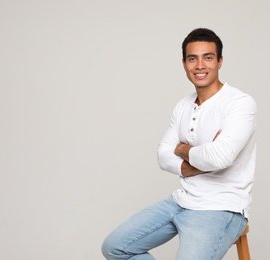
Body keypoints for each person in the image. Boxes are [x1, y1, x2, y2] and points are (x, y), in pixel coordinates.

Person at [101, 28, 257, 260]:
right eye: (192, 58)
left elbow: (220, 157)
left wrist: (183, 148)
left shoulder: (239, 103)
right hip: (182, 200)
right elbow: (163, 155)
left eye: (208, 57)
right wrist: (195, 162)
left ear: (220, 61)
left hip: (221, 207)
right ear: (184, 64)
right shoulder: (183, 105)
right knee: (115, 247)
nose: (200, 65)